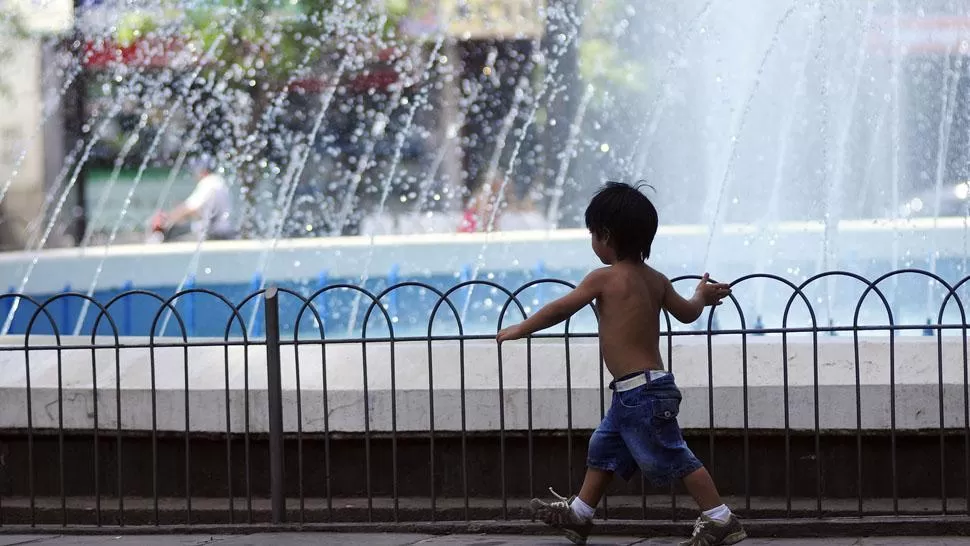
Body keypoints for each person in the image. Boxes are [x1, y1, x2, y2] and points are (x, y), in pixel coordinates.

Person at [496, 182, 745, 546]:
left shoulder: (604, 278)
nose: (592, 242)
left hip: (640, 393)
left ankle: (719, 517)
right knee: (604, 448)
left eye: (593, 234)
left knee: (673, 453)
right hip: (642, 388)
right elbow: (688, 314)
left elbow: (562, 308)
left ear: (606, 236)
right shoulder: (656, 280)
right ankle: (580, 514)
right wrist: (701, 297)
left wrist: (522, 328)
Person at [150, 163, 234, 242]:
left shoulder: (208, 182)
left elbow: (190, 207)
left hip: (215, 233)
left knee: (175, 234)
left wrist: (166, 219)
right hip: (225, 229)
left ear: (203, 171)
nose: (195, 177)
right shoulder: (218, 181)